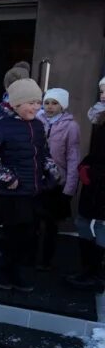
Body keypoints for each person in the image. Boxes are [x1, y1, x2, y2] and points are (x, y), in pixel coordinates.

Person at [0, 78, 60, 291]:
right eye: (30, 102)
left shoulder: (39, 127)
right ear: (16, 103)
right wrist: (7, 177)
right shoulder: (1, 127)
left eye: (38, 102)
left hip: (33, 190)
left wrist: (51, 171)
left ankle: (15, 270)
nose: (36, 107)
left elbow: (44, 153)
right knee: (14, 232)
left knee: (29, 233)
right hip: (11, 192)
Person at [67, 76, 105, 291]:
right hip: (96, 180)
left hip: (101, 182)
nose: (102, 94)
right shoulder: (101, 116)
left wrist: (93, 170)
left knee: (97, 223)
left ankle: (95, 272)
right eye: (101, 90)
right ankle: (91, 270)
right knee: (87, 221)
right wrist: (86, 164)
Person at [35, 88, 80, 270]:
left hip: (56, 182)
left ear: (63, 105)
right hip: (37, 178)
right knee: (33, 220)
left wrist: (69, 188)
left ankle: (46, 260)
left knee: (50, 224)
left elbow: (73, 157)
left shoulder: (71, 126)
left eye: (55, 103)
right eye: (47, 102)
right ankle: (30, 256)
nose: (50, 107)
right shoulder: (37, 120)